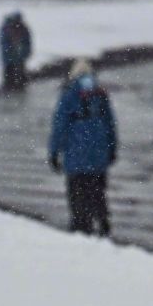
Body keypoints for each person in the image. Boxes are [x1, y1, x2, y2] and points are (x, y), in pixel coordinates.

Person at [48, 59, 119, 236]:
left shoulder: (69, 94)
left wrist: (54, 152)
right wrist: (112, 149)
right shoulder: (101, 93)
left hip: (76, 152)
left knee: (77, 191)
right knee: (98, 190)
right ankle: (103, 221)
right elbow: (110, 124)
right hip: (99, 151)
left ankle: (81, 225)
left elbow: (60, 125)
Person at [0, 11, 33, 91]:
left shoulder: (23, 28)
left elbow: (27, 41)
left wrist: (24, 52)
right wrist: (10, 49)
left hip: (19, 56)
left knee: (20, 72)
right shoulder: (7, 28)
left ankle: (19, 87)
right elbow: (3, 43)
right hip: (9, 56)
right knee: (9, 71)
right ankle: (9, 88)